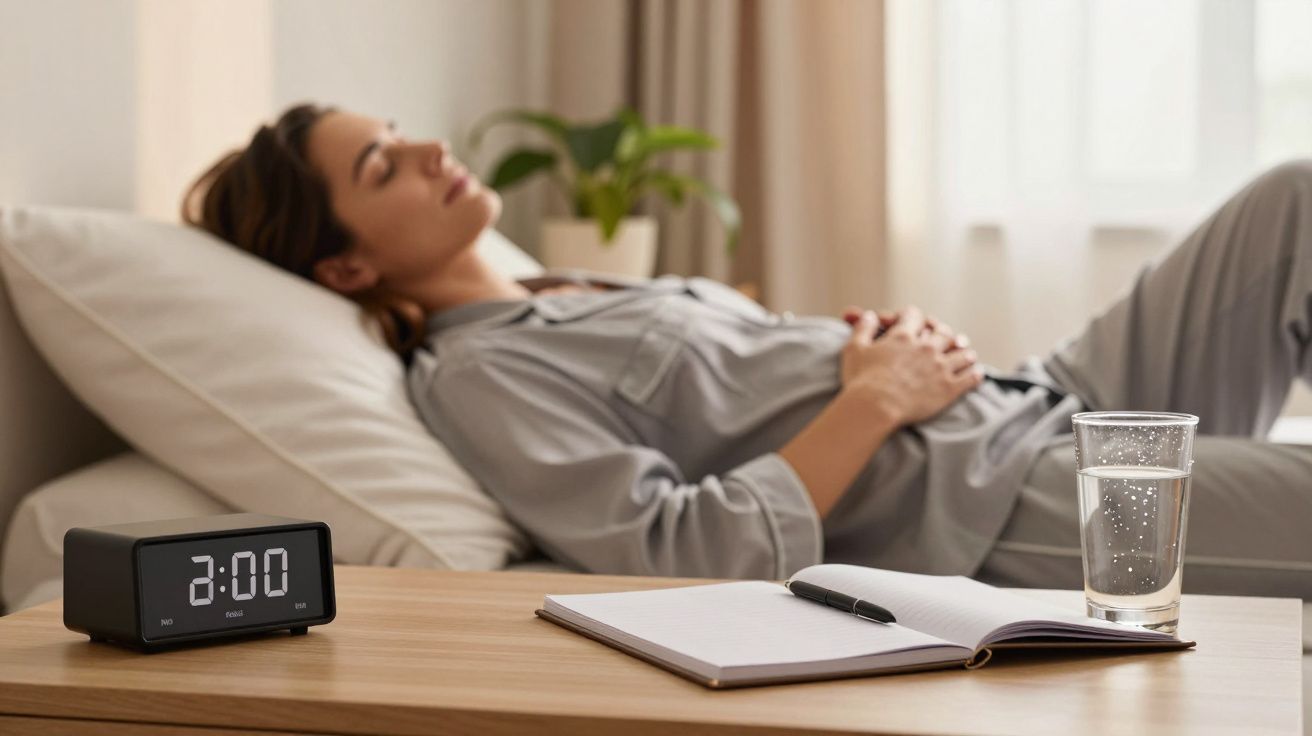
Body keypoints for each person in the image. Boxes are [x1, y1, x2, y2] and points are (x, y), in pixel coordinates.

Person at [183, 103, 1312, 597]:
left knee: (1293, 202)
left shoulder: (569, 282)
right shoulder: (480, 377)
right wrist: (871, 400)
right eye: (382, 168)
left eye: (395, 134)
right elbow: (678, 553)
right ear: (343, 269)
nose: (426, 147)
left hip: (1030, 398)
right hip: (993, 499)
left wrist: (869, 346)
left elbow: (748, 389)